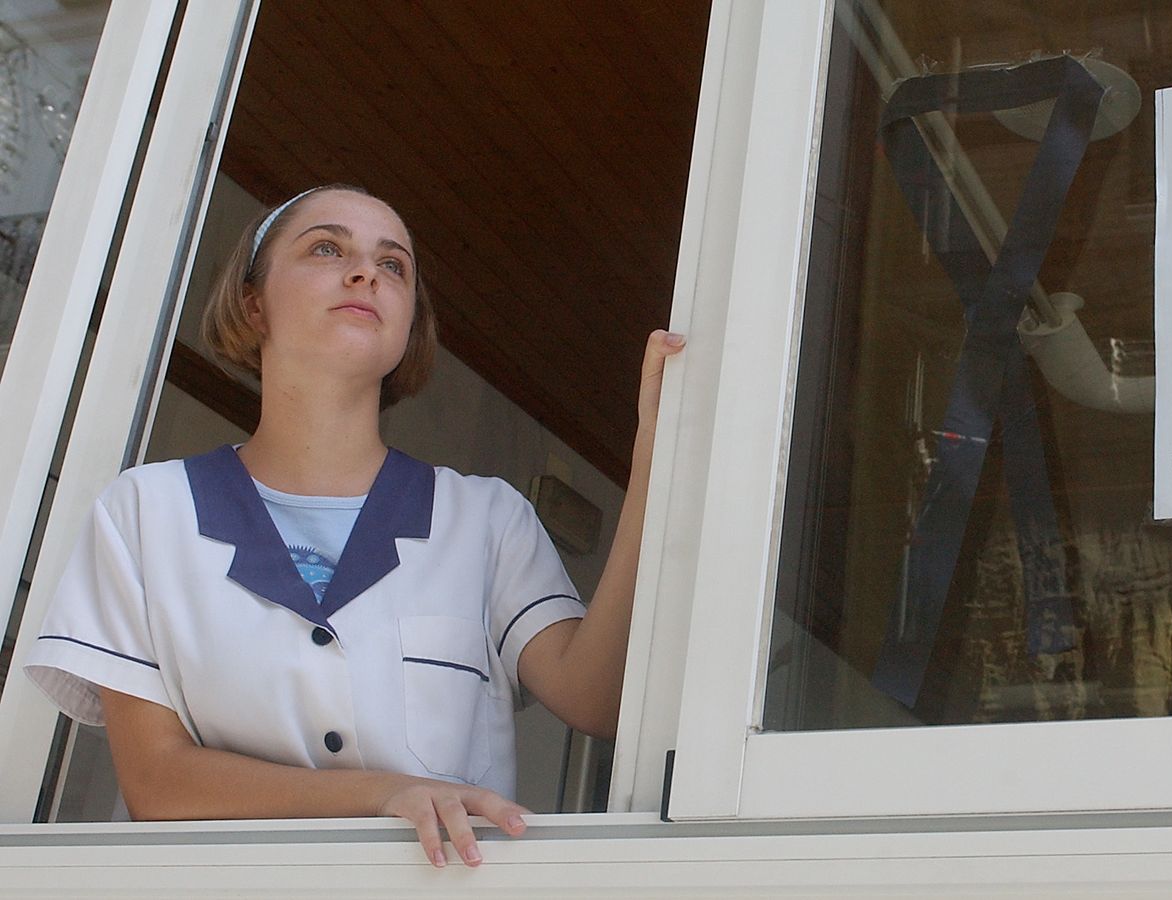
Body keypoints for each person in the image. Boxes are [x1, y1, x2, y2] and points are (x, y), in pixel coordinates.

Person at [23, 185, 684, 867]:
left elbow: (596, 700)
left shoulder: (486, 519)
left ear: (407, 327)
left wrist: (654, 461)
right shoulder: (146, 511)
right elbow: (158, 783)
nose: (366, 271)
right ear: (254, 304)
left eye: (393, 264)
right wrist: (386, 793)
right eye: (327, 248)